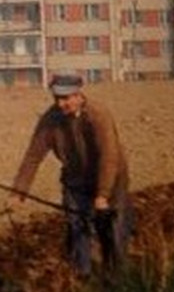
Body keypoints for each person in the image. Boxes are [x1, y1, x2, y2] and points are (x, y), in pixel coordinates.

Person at [9, 73, 133, 278]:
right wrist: (18, 192)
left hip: (111, 179)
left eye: (66, 98)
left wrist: (102, 195)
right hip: (75, 180)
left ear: (78, 95)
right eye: (57, 98)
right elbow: (33, 156)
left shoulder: (97, 115)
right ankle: (82, 278)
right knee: (78, 228)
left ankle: (118, 279)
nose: (61, 104)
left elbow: (109, 156)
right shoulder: (50, 120)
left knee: (114, 230)